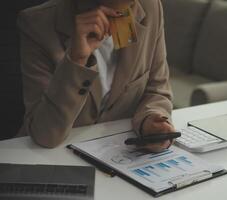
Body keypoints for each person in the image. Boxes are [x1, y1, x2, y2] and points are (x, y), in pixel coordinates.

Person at [17, 0, 175, 152]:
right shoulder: (38, 23)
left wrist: (150, 119)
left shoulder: (150, 7)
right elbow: (45, 136)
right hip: (51, 156)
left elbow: (156, 89)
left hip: (118, 153)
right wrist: (76, 60)